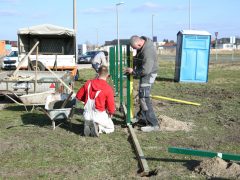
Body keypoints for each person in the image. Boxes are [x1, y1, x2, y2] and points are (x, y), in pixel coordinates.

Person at [125, 35, 159, 132]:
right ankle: (142, 118)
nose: (135, 50)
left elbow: (146, 70)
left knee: (144, 97)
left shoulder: (148, 51)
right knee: (142, 96)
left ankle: (153, 124)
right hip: (146, 73)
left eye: (135, 48)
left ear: (139, 44)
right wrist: (133, 60)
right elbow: (140, 58)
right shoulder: (143, 46)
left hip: (149, 74)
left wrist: (133, 72)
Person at [76, 65, 115, 137]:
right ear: (107, 75)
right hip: (99, 115)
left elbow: (78, 96)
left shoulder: (88, 83)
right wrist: (111, 113)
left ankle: (90, 125)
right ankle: (98, 128)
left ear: (98, 73)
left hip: (87, 114)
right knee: (111, 127)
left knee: (90, 118)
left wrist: (85, 99)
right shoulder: (108, 88)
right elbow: (111, 106)